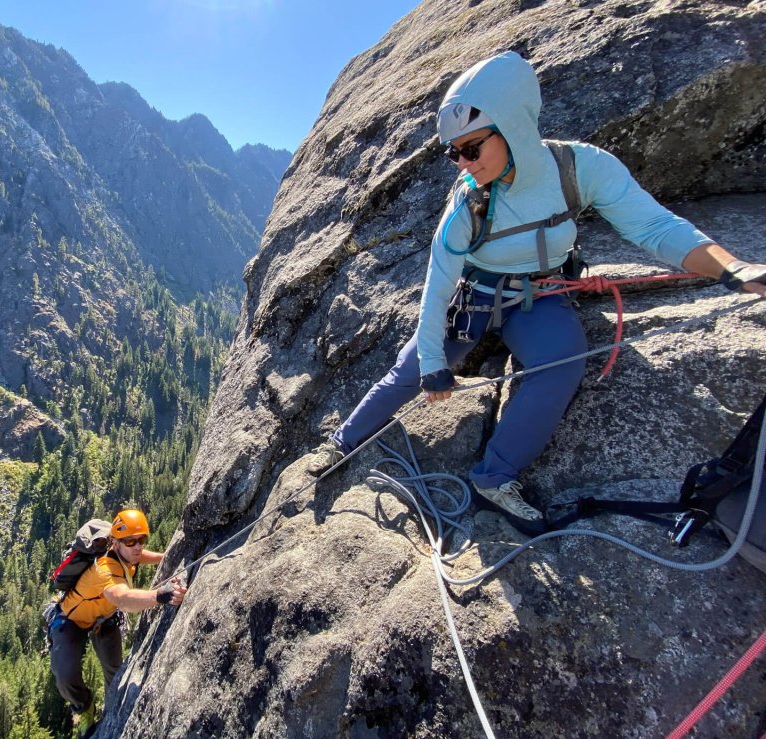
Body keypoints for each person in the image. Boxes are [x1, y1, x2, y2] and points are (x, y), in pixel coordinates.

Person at [311, 51, 766, 535]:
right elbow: (438, 286)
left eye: (471, 148)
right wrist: (433, 366)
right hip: (477, 297)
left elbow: (653, 227)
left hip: (542, 295)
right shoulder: (468, 203)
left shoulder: (578, 168)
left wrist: (731, 268)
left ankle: (494, 476)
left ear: (511, 127)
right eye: (453, 153)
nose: (462, 164)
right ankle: (342, 443)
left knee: (562, 366)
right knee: (410, 370)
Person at [48, 508, 186, 725]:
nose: (138, 546)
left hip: (104, 619)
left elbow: (139, 557)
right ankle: (84, 708)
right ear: (116, 542)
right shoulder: (104, 570)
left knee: (115, 673)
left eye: (141, 539)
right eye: (130, 541)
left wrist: (164, 558)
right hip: (71, 620)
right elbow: (122, 598)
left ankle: (112, 709)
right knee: (65, 676)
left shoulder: (127, 554)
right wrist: (159, 596)